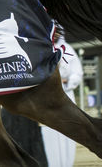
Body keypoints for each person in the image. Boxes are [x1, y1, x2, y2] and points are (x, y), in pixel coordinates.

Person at [41, 31, 84, 167]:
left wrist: (65, 81)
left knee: (68, 131)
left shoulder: (68, 49)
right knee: (49, 133)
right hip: (45, 97)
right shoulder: (40, 48)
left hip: (66, 95)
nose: (55, 34)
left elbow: (77, 73)